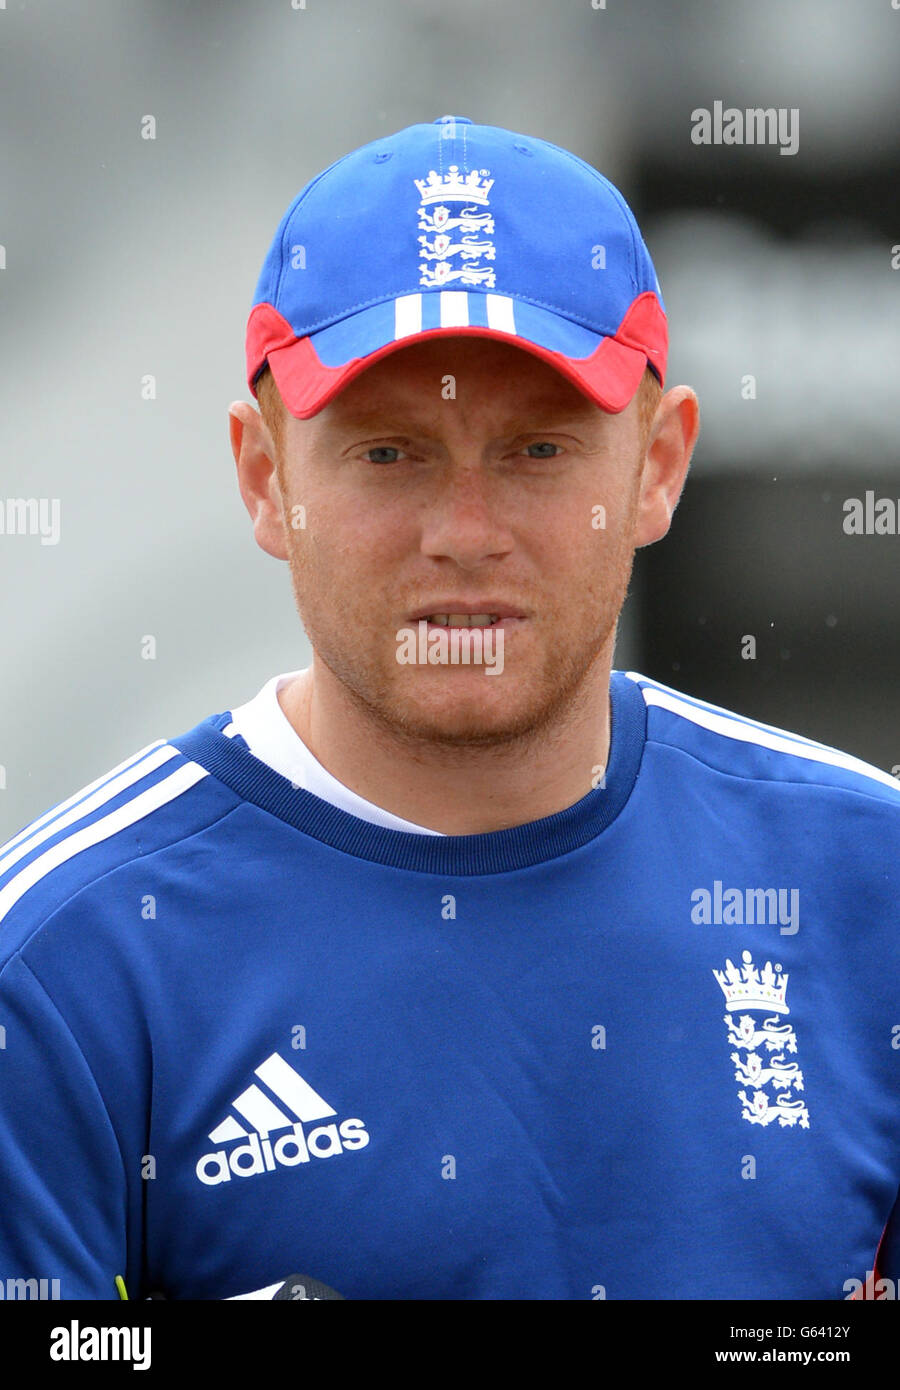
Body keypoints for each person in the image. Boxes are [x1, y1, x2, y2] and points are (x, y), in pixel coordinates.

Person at [0, 115, 898, 1302]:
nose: (464, 534)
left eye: (536, 449)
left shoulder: (868, 880)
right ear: (266, 479)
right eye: (389, 454)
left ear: (659, 465)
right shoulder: (62, 964)